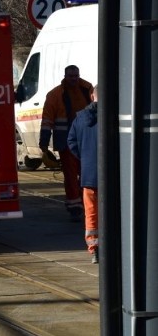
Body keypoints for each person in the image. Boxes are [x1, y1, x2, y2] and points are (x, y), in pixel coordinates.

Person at [39, 64, 93, 221]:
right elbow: (47, 119)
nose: (74, 79)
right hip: (67, 141)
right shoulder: (55, 95)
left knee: (86, 174)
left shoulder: (87, 88)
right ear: (65, 76)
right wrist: (44, 142)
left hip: (86, 139)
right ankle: (75, 207)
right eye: (71, 77)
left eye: (76, 76)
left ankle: (86, 203)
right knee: (70, 174)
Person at [67, 84, 99, 263]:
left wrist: (85, 158)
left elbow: (71, 142)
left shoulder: (80, 118)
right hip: (111, 177)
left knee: (92, 213)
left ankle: (94, 249)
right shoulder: (113, 116)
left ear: (92, 96)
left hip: (89, 175)